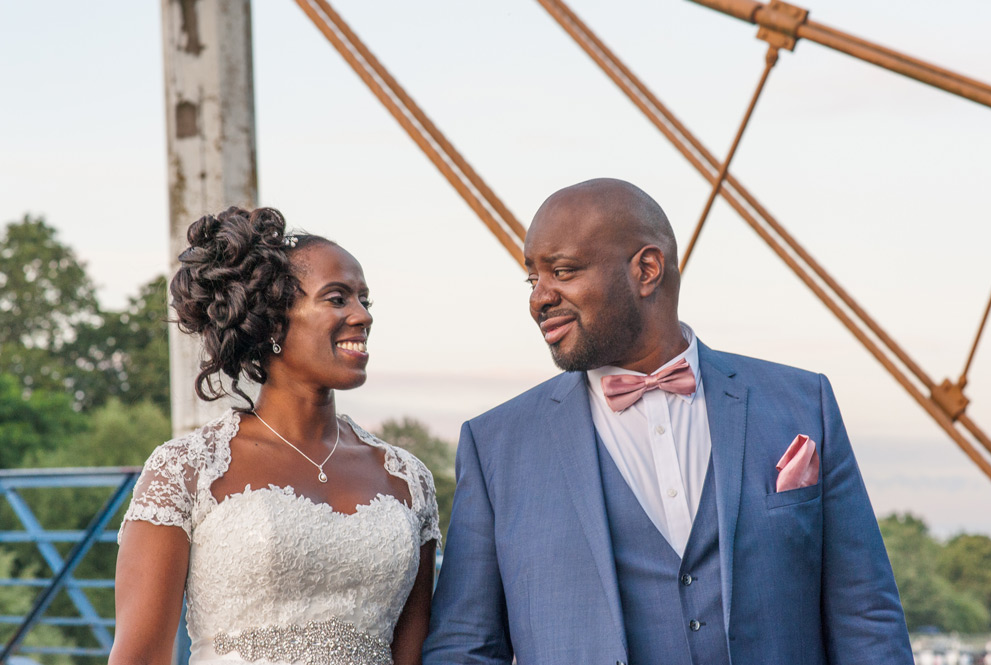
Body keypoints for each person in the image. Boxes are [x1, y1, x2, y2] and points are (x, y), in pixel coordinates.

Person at [423, 178, 913, 665]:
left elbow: (866, 617)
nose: (539, 299)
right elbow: (465, 647)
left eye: (563, 272)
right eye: (534, 280)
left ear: (647, 270)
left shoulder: (803, 403)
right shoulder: (495, 446)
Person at [110, 207, 439, 665]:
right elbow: (139, 656)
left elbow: (414, 654)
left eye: (365, 300)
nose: (362, 316)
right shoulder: (187, 470)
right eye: (338, 299)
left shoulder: (408, 479)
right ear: (274, 322)